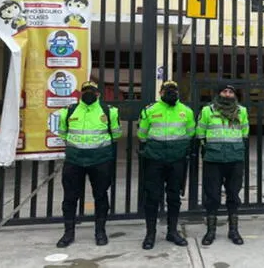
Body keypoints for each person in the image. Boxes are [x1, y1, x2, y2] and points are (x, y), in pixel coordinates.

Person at [56, 81, 121, 247]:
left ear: (98, 93)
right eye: (85, 90)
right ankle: (68, 233)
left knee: (100, 196)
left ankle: (100, 232)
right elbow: (63, 133)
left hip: (100, 160)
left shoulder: (109, 111)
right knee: (70, 198)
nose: (89, 93)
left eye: (92, 90)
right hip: (74, 160)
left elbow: (116, 134)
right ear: (80, 93)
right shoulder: (68, 111)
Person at [137, 81, 196, 250]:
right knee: (152, 197)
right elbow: (142, 135)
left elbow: (191, 133)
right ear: (160, 92)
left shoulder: (186, 111)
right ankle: (150, 234)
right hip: (155, 159)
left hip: (176, 160)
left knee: (174, 197)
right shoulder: (150, 110)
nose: (171, 92)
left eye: (174, 90)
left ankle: (172, 232)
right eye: (167, 89)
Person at [196, 83, 249, 246]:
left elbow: (244, 132)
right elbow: (200, 133)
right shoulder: (208, 111)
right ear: (218, 94)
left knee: (233, 195)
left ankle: (233, 230)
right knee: (212, 196)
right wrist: (208, 149)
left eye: (230, 92)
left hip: (235, 158)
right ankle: (210, 231)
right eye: (224, 91)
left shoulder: (242, 111)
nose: (227, 94)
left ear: (234, 95)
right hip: (213, 159)